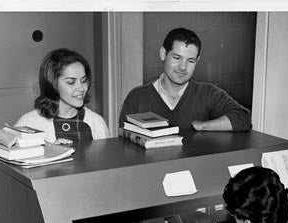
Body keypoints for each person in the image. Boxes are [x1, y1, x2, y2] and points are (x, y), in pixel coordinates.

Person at [119, 27, 251, 132]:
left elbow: (243, 118)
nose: (183, 67)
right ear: (163, 54)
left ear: (197, 61)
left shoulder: (208, 93)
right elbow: (123, 145)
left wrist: (203, 126)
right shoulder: (137, 98)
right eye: (177, 58)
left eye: (191, 61)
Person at [15, 48, 109, 143]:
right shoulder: (29, 123)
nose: (81, 88)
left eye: (84, 81)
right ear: (53, 84)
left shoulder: (97, 123)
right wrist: (51, 152)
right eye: (71, 82)